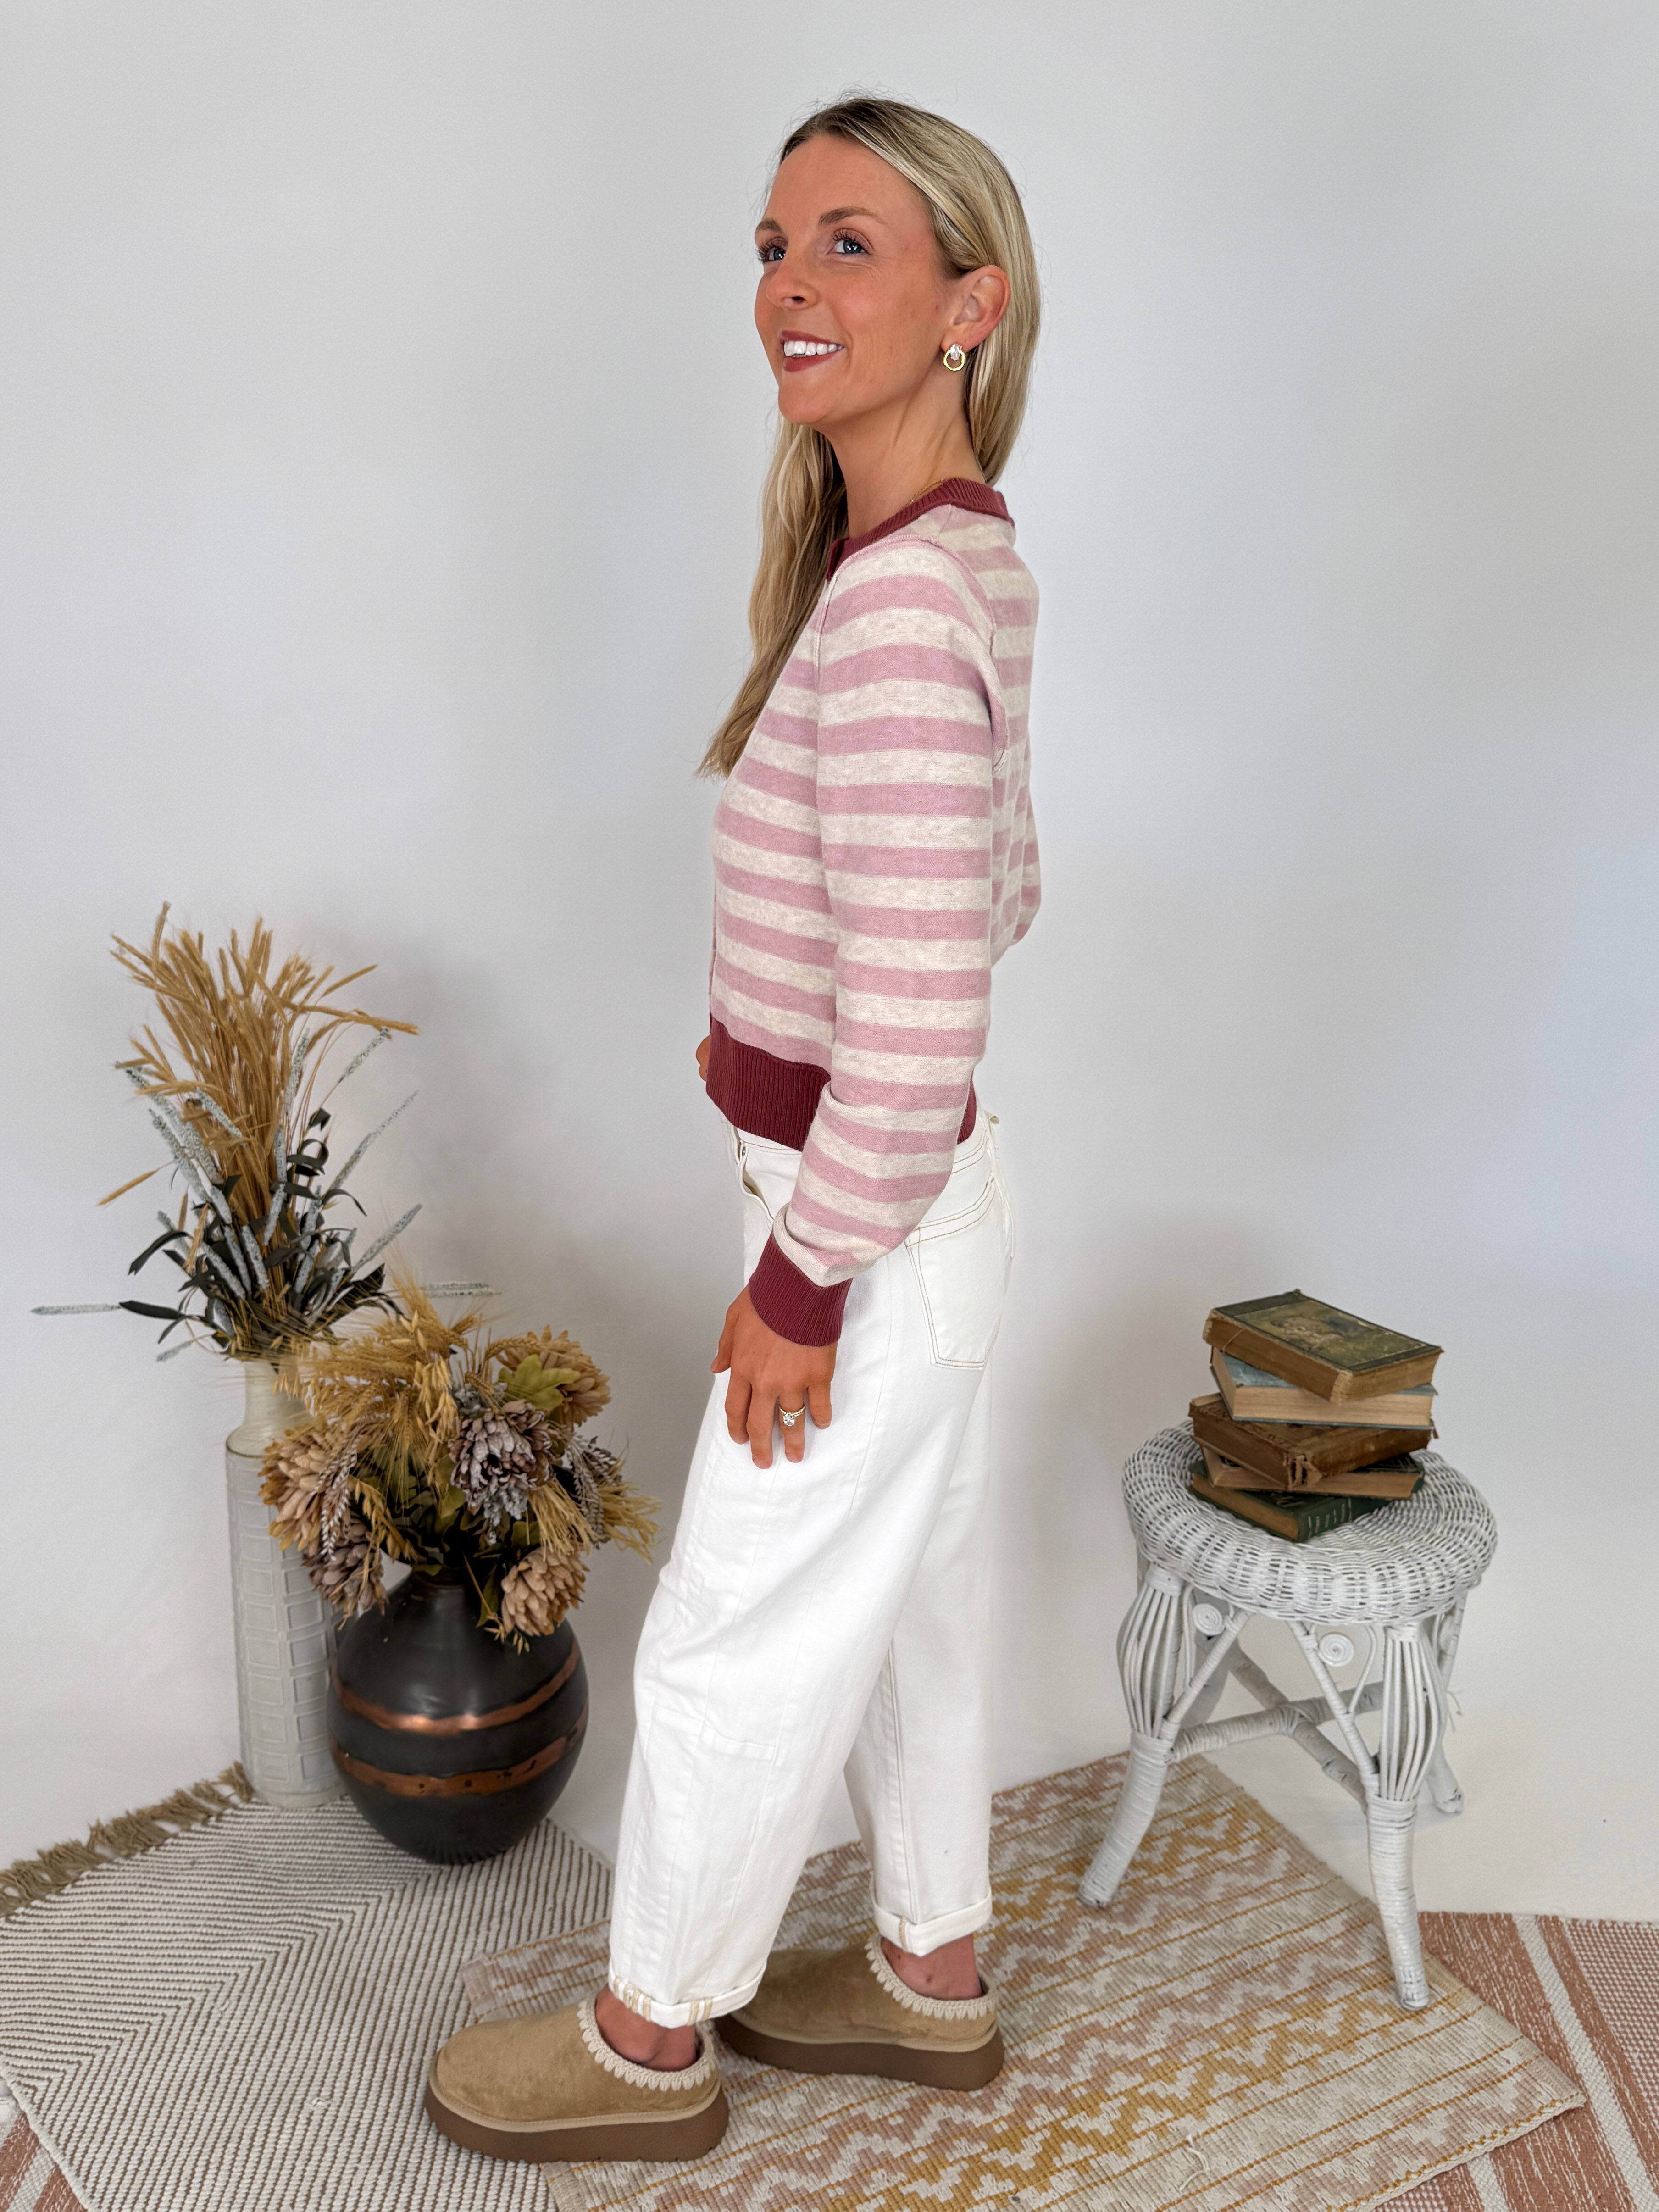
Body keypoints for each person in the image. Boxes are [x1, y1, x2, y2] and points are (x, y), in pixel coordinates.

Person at [425, 94, 1043, 2165]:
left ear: (969, 303)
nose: (788, 285)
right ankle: (931, 1976)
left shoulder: (893, 616)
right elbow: (995, 896)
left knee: (732, 1631)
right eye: (773, 246)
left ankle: (644, 2044)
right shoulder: (948, 561)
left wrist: (799, 1277)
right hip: (924, 1221)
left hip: (868, 1228)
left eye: (849, 244)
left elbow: (918, 1030)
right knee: (911, 1615)